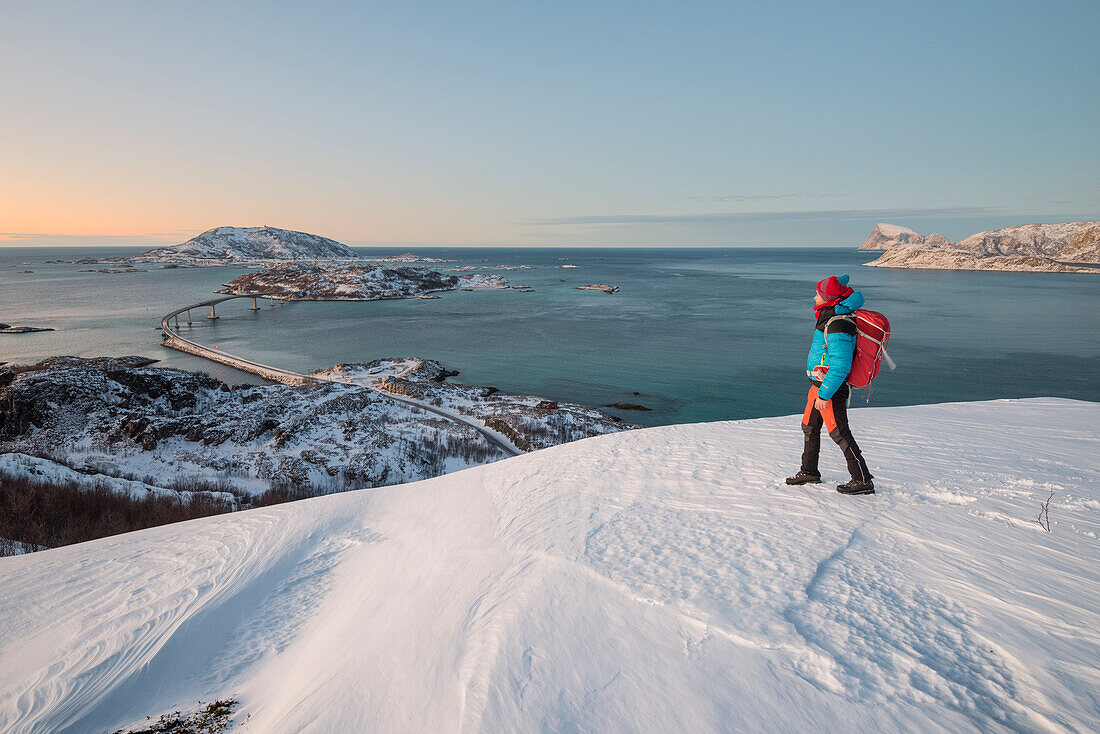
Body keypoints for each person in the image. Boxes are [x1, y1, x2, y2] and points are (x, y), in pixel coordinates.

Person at [786, 274, 875, 495]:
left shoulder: (839, 324)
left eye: (817, 293)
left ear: (828, 298)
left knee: (839, 432)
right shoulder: (829, 318)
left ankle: (862, 479)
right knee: (809, 426)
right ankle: (809, 471)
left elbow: (841, 366)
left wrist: (825, 395)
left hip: (830, 389)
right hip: (818, 385)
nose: (813, 296)